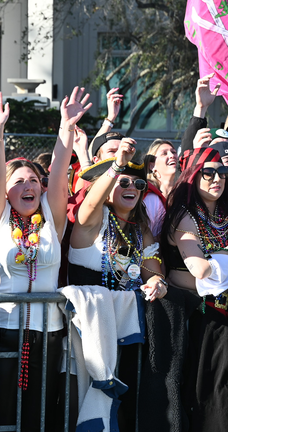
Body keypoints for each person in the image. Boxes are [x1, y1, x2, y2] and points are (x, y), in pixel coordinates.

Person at [0, 88, 88, 431]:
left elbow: (57, 175)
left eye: (33, 181)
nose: (30, 186)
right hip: (3, 329)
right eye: (19, 181)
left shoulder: (51, 221)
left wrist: (65, 129)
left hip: (50, 331)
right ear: (7, 192)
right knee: (1, 412)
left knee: (40, 414)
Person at [66, 139, 167, 430]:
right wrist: (116, 165)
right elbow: (90, 202)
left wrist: (157, 284)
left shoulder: (141, 230)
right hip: (87, 339)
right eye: (124, 181)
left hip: (130, 338)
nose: (132, 188)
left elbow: (153, 272)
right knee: (87, 408)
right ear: (108, 184)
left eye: (139, 184)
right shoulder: (91, 222)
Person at [161, 147, 227, 432]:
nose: (217, 178)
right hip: (205, 319)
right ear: (193, 176)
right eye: (208, 172)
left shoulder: (229, 212)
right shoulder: (184, 216)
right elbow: (199, 269)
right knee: (214, 397)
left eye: (222, 172)